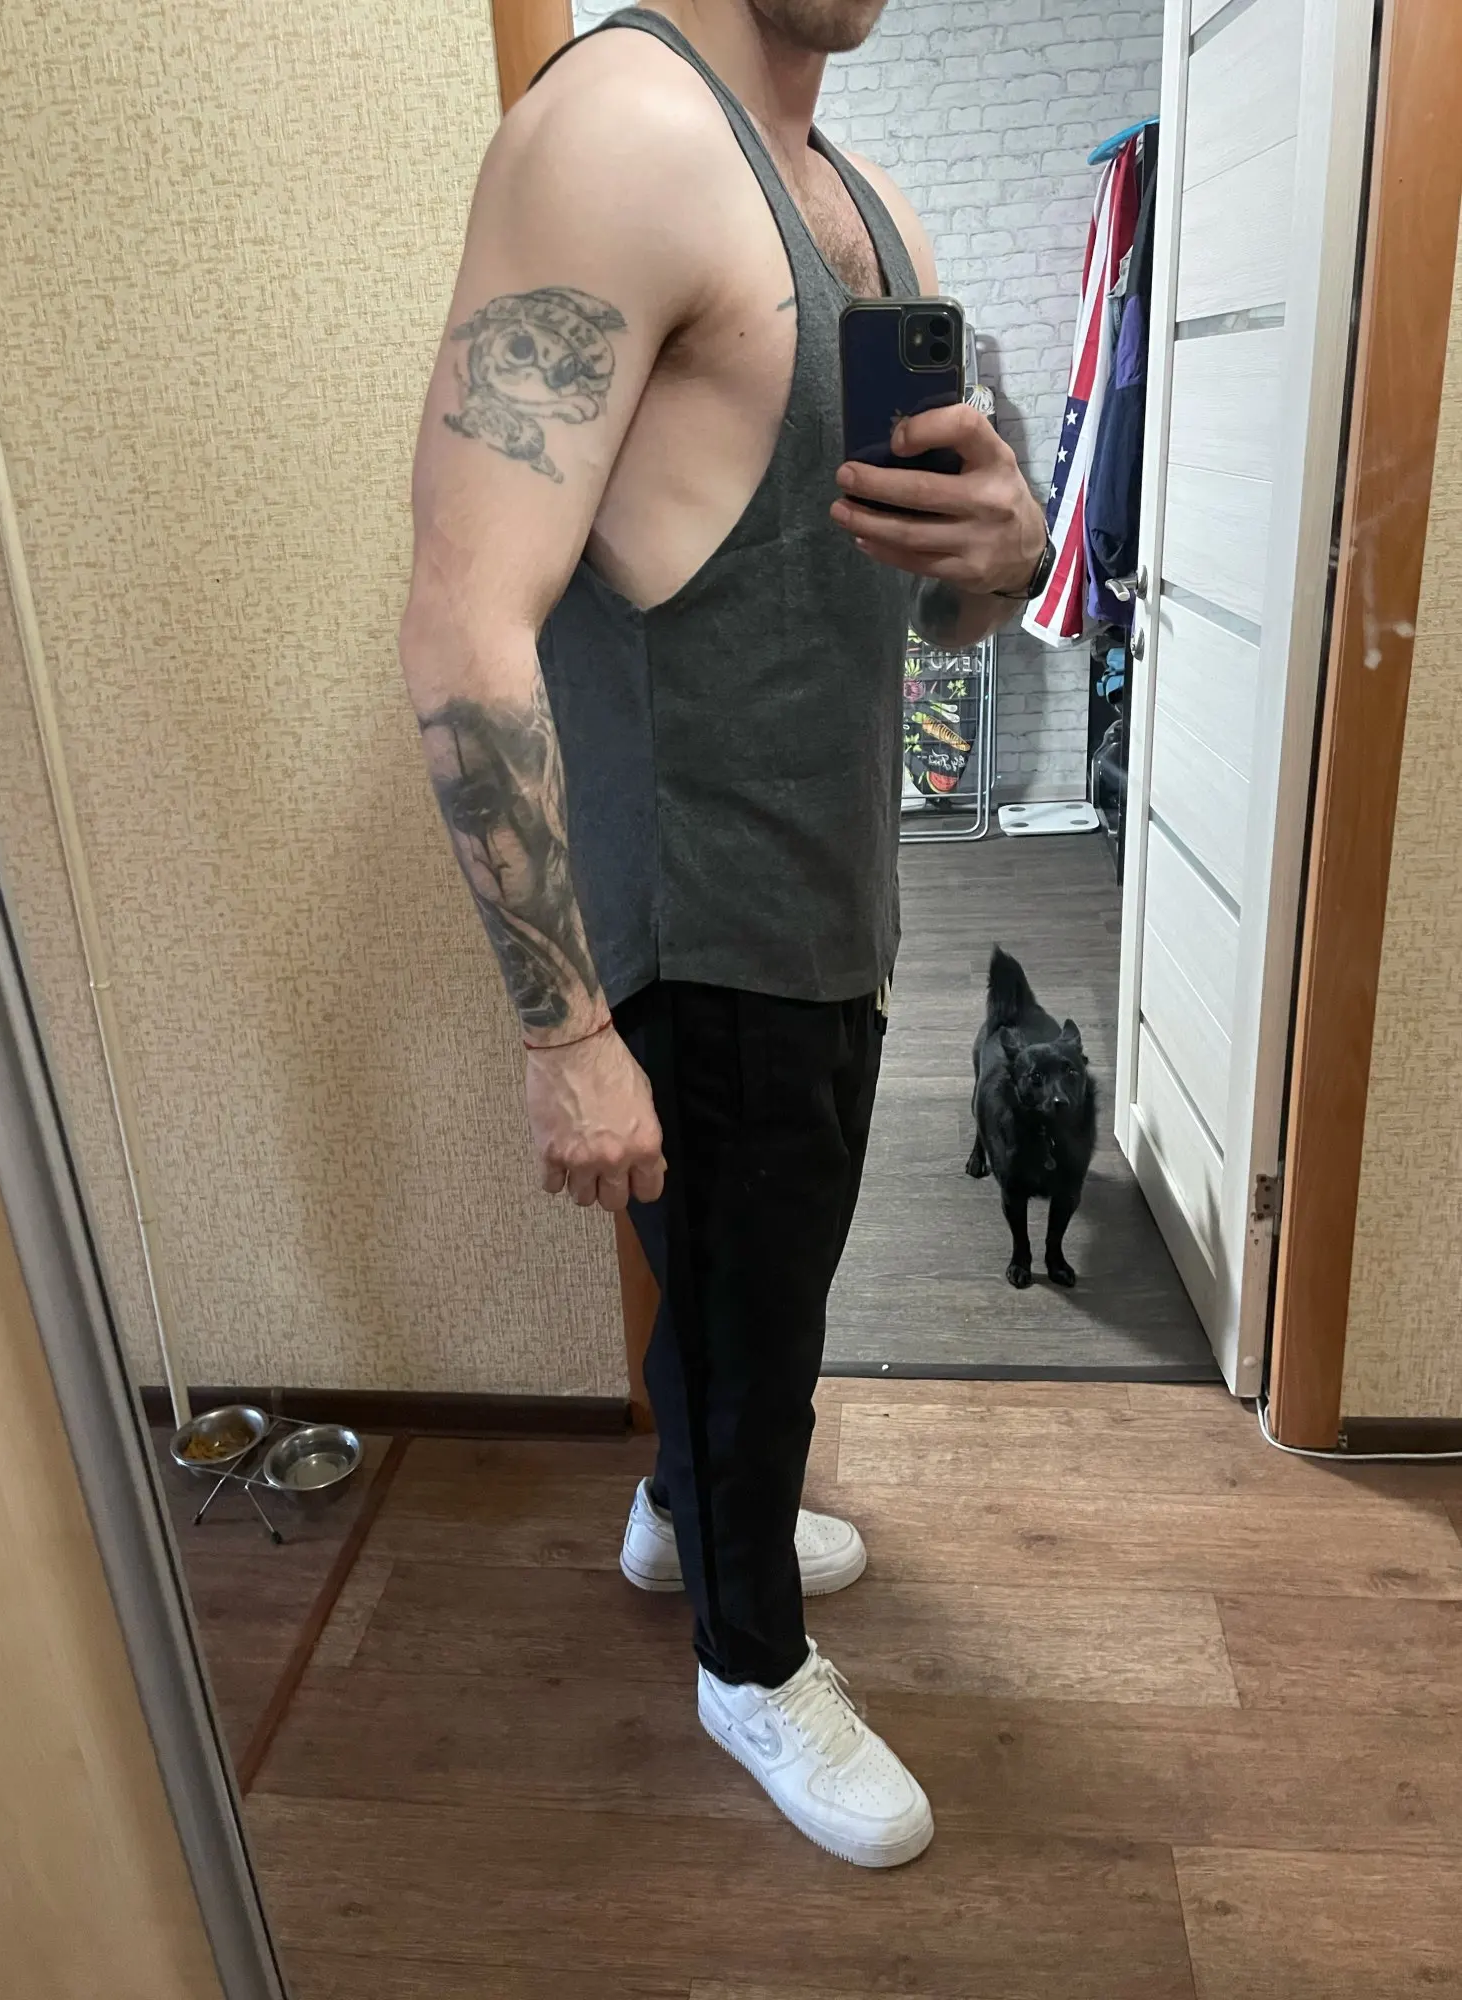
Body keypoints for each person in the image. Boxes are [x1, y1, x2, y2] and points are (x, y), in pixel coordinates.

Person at [398, 0, 1050, 1868]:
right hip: (700, 919)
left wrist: (1002, 559)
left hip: (833, 886)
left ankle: (690, 1512)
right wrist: (562, 1037)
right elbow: (461, 620)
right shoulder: (615, 137)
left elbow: (928, 606)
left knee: (756, 1290)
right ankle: (749, 1664)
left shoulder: (863, 196)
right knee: (762, 1327)